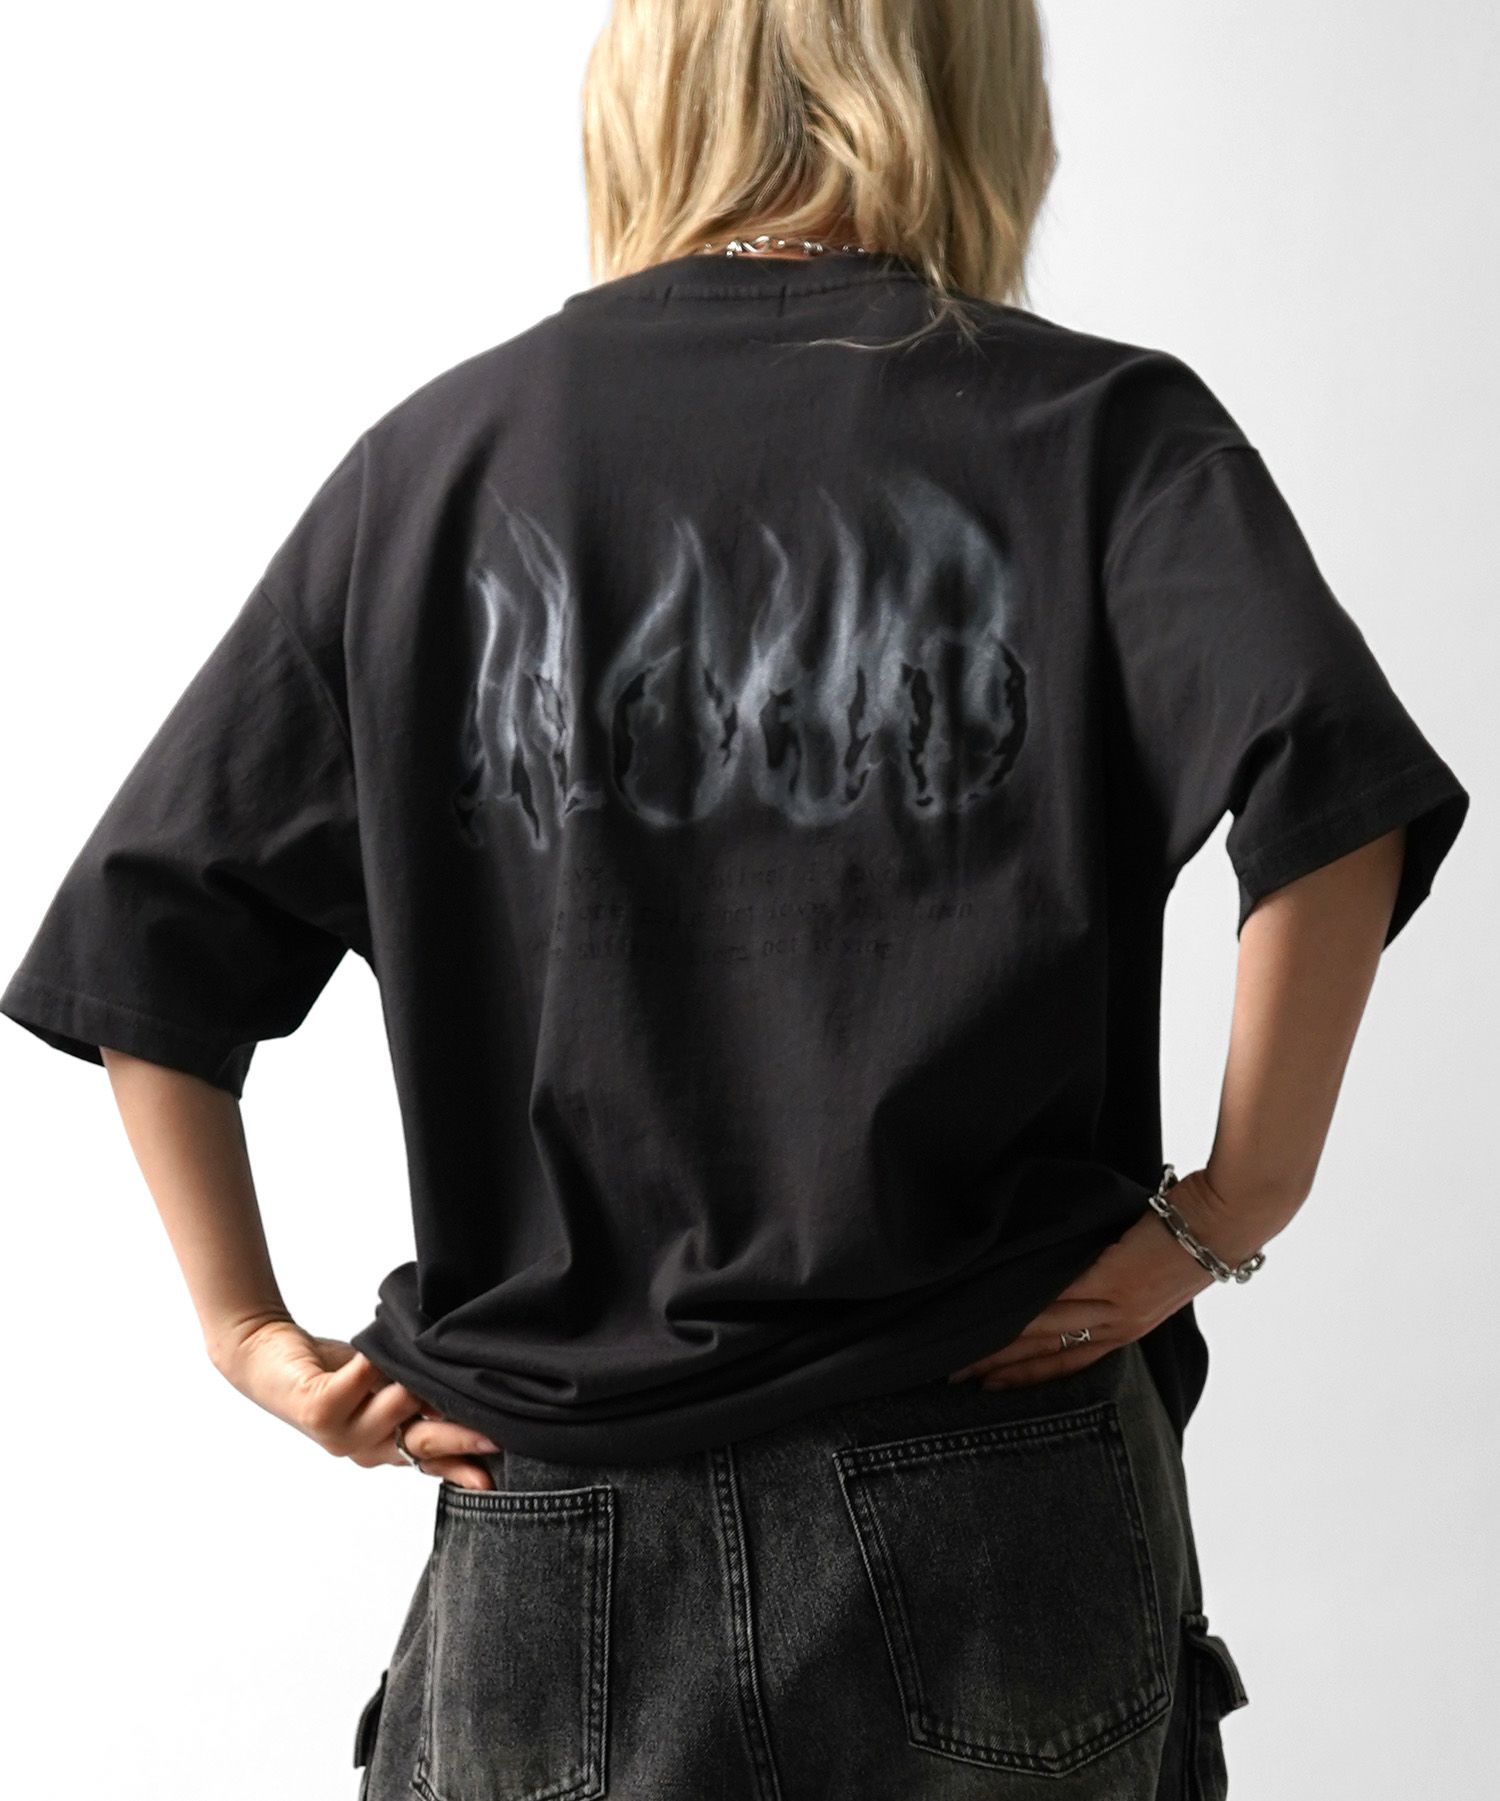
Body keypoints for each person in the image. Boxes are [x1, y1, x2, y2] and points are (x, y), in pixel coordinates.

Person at [1, 2, 1470, 1797]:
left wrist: (248, 1330)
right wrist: (1235, 1202)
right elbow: (1328, 773)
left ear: (649, 97)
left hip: (560, 1524)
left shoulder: (439, 468)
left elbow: (150, 927)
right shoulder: (1099, 429)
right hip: (995, 1479)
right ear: (974, 95)